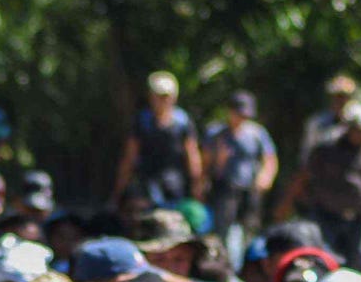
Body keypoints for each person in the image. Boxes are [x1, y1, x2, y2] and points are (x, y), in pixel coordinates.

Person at [298, 104, 361, 262]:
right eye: (359, 131)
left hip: (359, 218)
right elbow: (305, 174)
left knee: (358, 260)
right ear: (349, 128)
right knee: (322, 258)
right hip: (326, 214)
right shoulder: (327, 145)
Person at [202, 92, 280, 264]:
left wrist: (265, 179)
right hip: (224, 189)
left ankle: (249, 265)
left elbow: (270, 159)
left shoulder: (257, 133)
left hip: (249, 190)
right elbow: (205, 162)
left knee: (249, 231)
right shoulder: (216, 133)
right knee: (222, 232)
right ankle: (223, 265)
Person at [118, 72, 202, 208]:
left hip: (174, 187)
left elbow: (192, 156)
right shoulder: (142, 121)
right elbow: (129, 157)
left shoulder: (183, 122)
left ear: (174, 97)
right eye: (159, 96)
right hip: (146, 184)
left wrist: (197, 187)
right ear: (151, 96)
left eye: (166, 96)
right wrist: (119, 189)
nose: (163, 100)